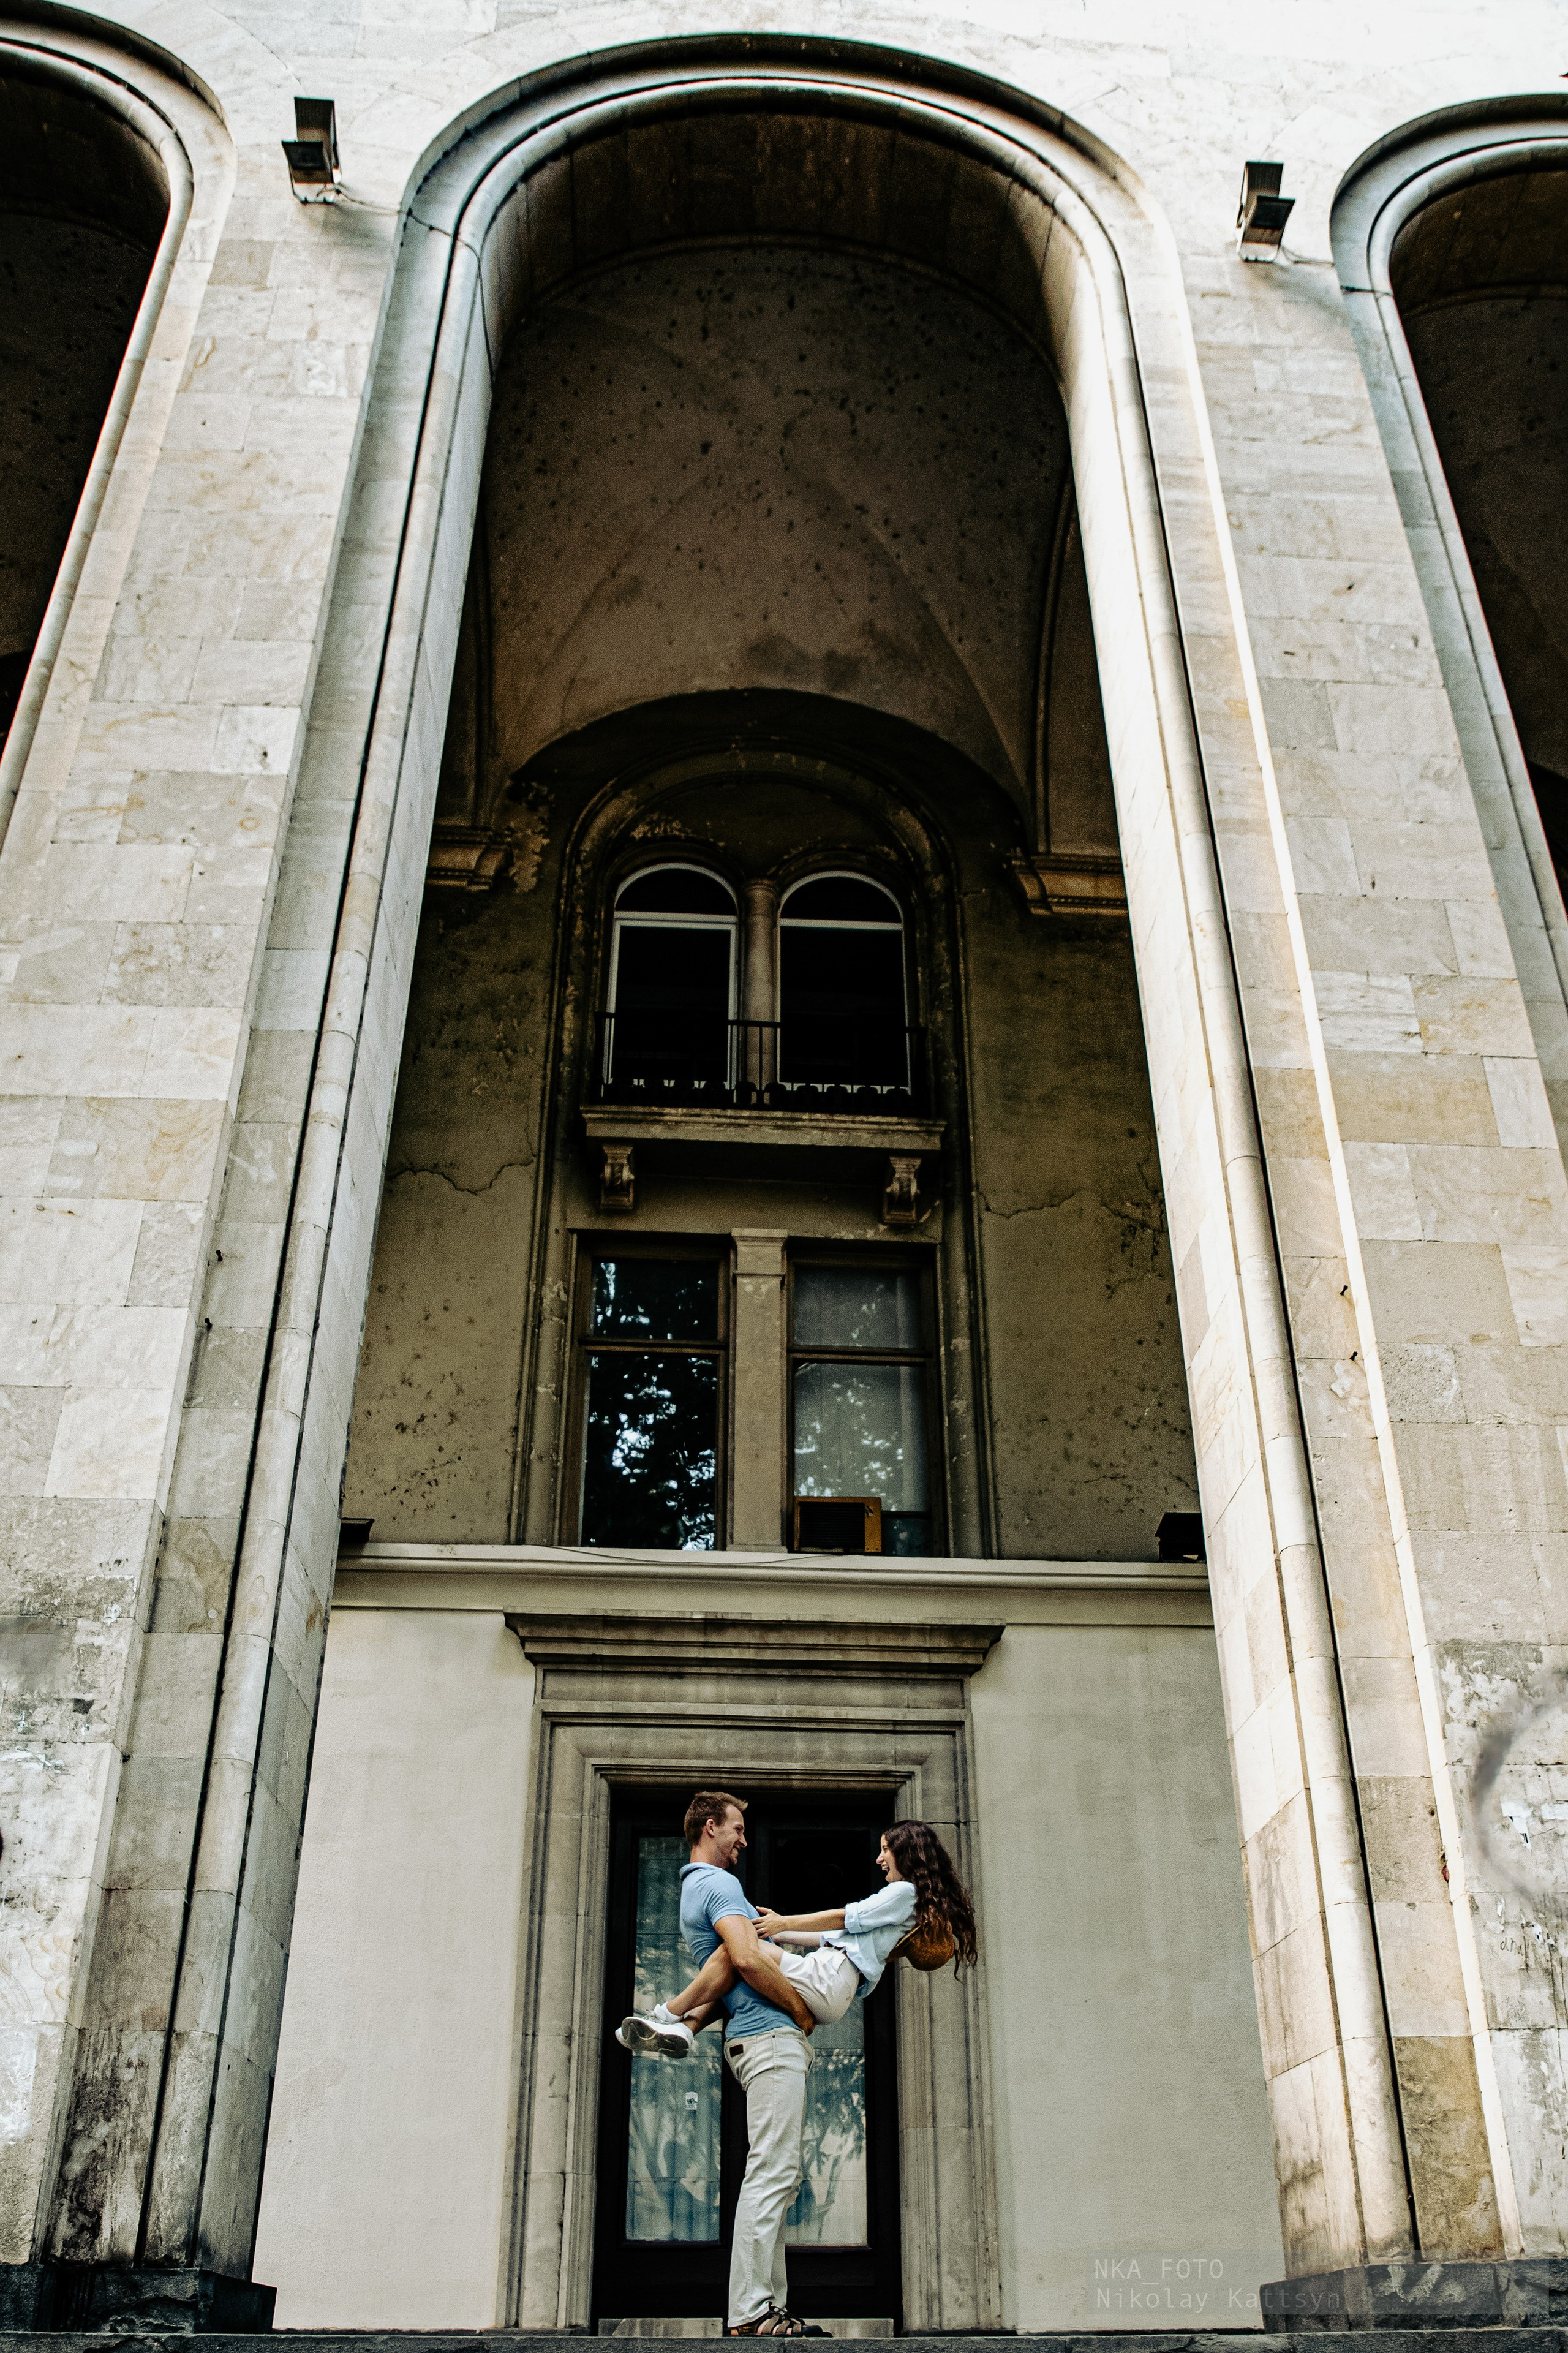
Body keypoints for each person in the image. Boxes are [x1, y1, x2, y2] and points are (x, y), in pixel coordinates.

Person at [618, 1816, 976, 2058]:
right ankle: (686, 2030)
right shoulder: (908, 1904)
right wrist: (777, 1929)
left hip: (828, 1978)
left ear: (905, 1851)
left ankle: (667, 2013)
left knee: (738, 1951)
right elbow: (832, 1936)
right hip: (833, 1984)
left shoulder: (903, 1892)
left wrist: (782, 1923)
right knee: (744, 1958)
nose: (880, 1858)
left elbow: (846, 1916)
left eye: (886, 1849)